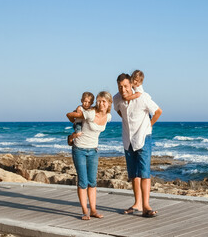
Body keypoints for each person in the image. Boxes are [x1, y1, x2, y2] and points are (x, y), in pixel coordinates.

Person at [113, 73, 162, 218]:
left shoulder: (142, 97)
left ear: (131, 85)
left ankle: (146, 205)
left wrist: (149, 125)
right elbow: (119, 111)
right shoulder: (116, 98)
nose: (123, 90)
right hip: (128, 139)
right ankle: (137, 204)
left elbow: (158, 111)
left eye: (126, 86)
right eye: (120, 87)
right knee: (134, 174)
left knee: (144, 173)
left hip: (143, 137)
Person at [66, 91, 112, 220]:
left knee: (92, 182)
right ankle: (85, 211)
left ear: (109, 103)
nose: (101, 103)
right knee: (83, 182)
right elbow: (71, 116)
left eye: (104, 101)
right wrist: (73, 114)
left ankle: (93, 210)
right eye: (99, 100)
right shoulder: (90, 113)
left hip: (93, 151)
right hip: (79, 150)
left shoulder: (108, 117)